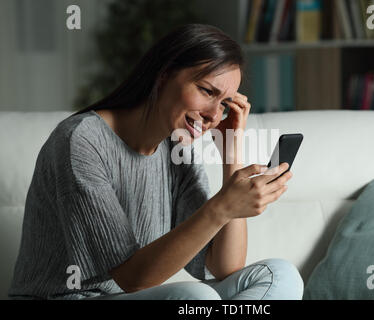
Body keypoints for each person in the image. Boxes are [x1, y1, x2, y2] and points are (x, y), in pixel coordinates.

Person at [9, 24, 303, 300]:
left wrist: (230, 155)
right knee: (195, 298)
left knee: (279, 275)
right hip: (67, 296)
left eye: (225, 104)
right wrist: (222, 206)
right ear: (163, 75)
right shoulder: (81, 140)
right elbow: (133, 278)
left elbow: (224, 267)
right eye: (207, 91)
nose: (215, 115)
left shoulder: (177, 151)